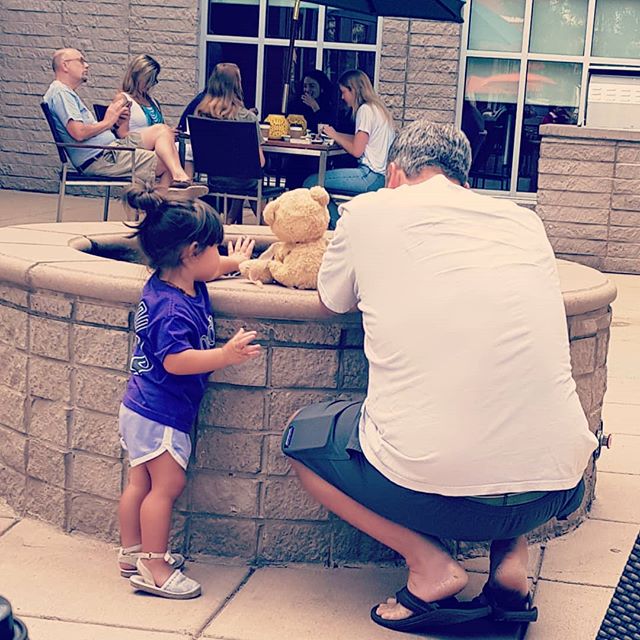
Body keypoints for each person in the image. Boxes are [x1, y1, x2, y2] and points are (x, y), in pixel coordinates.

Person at [283, 120, 598, 632]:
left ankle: (431, 568)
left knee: (304, 441)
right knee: (508, 411)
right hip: (557, 488)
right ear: (465, 181)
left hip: (439, 495)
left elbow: (331, 298)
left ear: (393, 173)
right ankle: (511, 564)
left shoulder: (366, 212)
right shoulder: (524, 222)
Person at [117, 184, 260, 599]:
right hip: (161, 412)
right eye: (217, 248)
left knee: (139, 484)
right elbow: (175, 361)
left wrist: (239, 262)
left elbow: (211, 268)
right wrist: (225, 355)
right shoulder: (174, 309)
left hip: (142, 405)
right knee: (167, 486)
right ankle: (155, 567)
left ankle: (132, 552)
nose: (221, 255)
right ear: (190, 252)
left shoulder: (171, 283)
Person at [44, 48, 204, 197]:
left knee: (163, 131)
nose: (87, 65)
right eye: (81, 61)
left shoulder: (65, 93)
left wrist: (113, 123)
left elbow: (86, 131)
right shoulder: (60, 93)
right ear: (65, 65)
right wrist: (108, 121)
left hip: (110, 149)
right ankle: (163, 204)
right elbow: (78, 133)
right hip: (100, 157)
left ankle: (176, 182)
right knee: (168, 160)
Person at [303, 69, 395, 229]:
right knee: (316, 184)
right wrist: (334, 133)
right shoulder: (377, 109)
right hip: (380, 175)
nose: (342, 97)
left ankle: (339, 227)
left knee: (311, 183)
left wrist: (334, 134)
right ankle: (339, 224)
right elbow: (360, 140)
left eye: (344, 92)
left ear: (354, 90)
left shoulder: (365, 110)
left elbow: (356, 150)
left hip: (369, 175)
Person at [195, 62, 265, 224]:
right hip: (244, 181)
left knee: (238, 177)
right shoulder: (247, 117)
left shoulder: (200, 114)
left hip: (214, 179)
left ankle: (228, 222)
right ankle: (265, 226)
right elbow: (259, 161)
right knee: (248, 180)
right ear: (237, 85)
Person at [115, 54, 165, 135]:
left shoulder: (153, 102)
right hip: (136, 144)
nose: (153, 83)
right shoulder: (123, 99)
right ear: (138, 77)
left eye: (155, 79)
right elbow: (121, 134)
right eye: (149, 79)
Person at [288, 69, 336, 135]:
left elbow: (329, 129)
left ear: (322, 88)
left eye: (312, 86)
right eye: (305, 86)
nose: (307, 90)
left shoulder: (328, 107)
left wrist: (315, 108)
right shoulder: (295, 105)